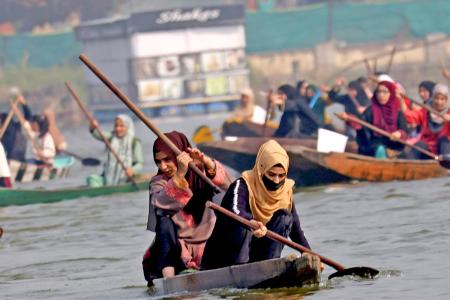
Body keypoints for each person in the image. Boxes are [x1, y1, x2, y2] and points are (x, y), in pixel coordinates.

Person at [201, 140, 313, 270]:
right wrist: (252, 222)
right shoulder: (242, 185)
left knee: (285, 217)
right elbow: (236, 211)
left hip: (258, 257)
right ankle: (241, 269)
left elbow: (296, 230)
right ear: (261, 169)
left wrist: (309, 254)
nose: (276, 180)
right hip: (225, 257)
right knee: (243, 223)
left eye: (281, 175)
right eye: (271, 174)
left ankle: (270, 265)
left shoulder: (286, 192)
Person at [143, 131, 231, 285]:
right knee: (164, 223)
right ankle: (169, 280)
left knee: (225, 206)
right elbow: (160, 206)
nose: (163, 166)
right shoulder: (158, 182)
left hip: (207, 249)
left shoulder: (200, 172)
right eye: (158, 162)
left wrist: (206, 162)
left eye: (167, 160)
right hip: (173, 253)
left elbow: (230, 188)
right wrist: (180, 175)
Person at [342, 81, 408, 158]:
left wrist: (399, 133)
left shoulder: (398, 112)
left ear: (391, 94)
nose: (381, 95)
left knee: (405, 155)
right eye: (378, 92)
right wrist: (349, 119)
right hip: (374, 144)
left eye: (385, 92)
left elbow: (404, 131)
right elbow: (361, 125)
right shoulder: (370, 111)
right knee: (379, 149)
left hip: (393, 144)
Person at [87, 114, 143, 187]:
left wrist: (132, 170)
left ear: (128, 127)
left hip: (126, 178)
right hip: (108, 178)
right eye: (116, 126)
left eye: (121, 126)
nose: (118, 129)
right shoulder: (111, 137)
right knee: (91, 179)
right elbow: (99, 134)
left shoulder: (134, 142)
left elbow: (140, 164)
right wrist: (93, 127)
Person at [400, 83, 450, 159]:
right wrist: (401, 100)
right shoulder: (427, 110)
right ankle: (410, 166)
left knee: (444, 141)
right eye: (437, 98)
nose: (439, 102)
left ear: (447, 100)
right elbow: (409, 116)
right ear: (433, 98)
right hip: (429, 147)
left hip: (445, 149)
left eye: (442, 99)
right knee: (419, 145)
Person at [0, 93, 32, 161]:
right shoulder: (5, 131)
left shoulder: (17, 127)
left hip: (17, 159)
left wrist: (24, 104)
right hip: (9, 159)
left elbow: (28, 118)